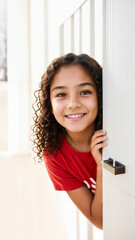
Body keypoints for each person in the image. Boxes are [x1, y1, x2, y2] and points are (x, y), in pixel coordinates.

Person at [32, 53, 108, 229]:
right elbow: (101, 221)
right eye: (61, 95)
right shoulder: (55, 156)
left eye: (85, 92)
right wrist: (101, 168)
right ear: (49, 104)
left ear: (100, 96)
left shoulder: (118, 134)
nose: (73, 104)